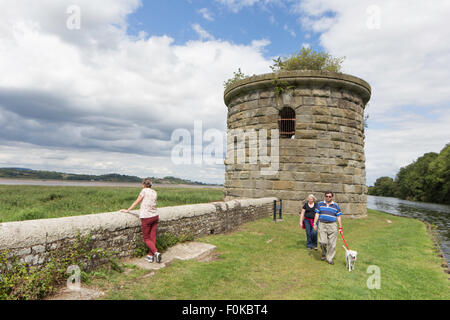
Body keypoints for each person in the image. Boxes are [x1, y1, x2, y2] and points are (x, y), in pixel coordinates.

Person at [120, 178, 161, 263]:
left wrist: (128, 210)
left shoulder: (144, 191)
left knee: (146, 238)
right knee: (152, 237)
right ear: (151, 185)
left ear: (143, 185)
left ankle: (156, 252)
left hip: (146, 217)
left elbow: (137, 201)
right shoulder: (154, 192)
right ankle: (150, 256)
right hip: (155, 216)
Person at [313, 191, 343, 265]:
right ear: (325, 196)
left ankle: (329, 258)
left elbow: (338, 216)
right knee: (322, 242)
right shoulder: (320, 204)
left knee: (332, 244)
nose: (328, 197)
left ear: (332, 197)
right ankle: (324, 253)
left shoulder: (336, 205)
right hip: (322, 224)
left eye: (329, 196)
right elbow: (317, 214)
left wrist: (340, 227)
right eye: (326, 196)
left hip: (332, 225)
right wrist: (314, 224)